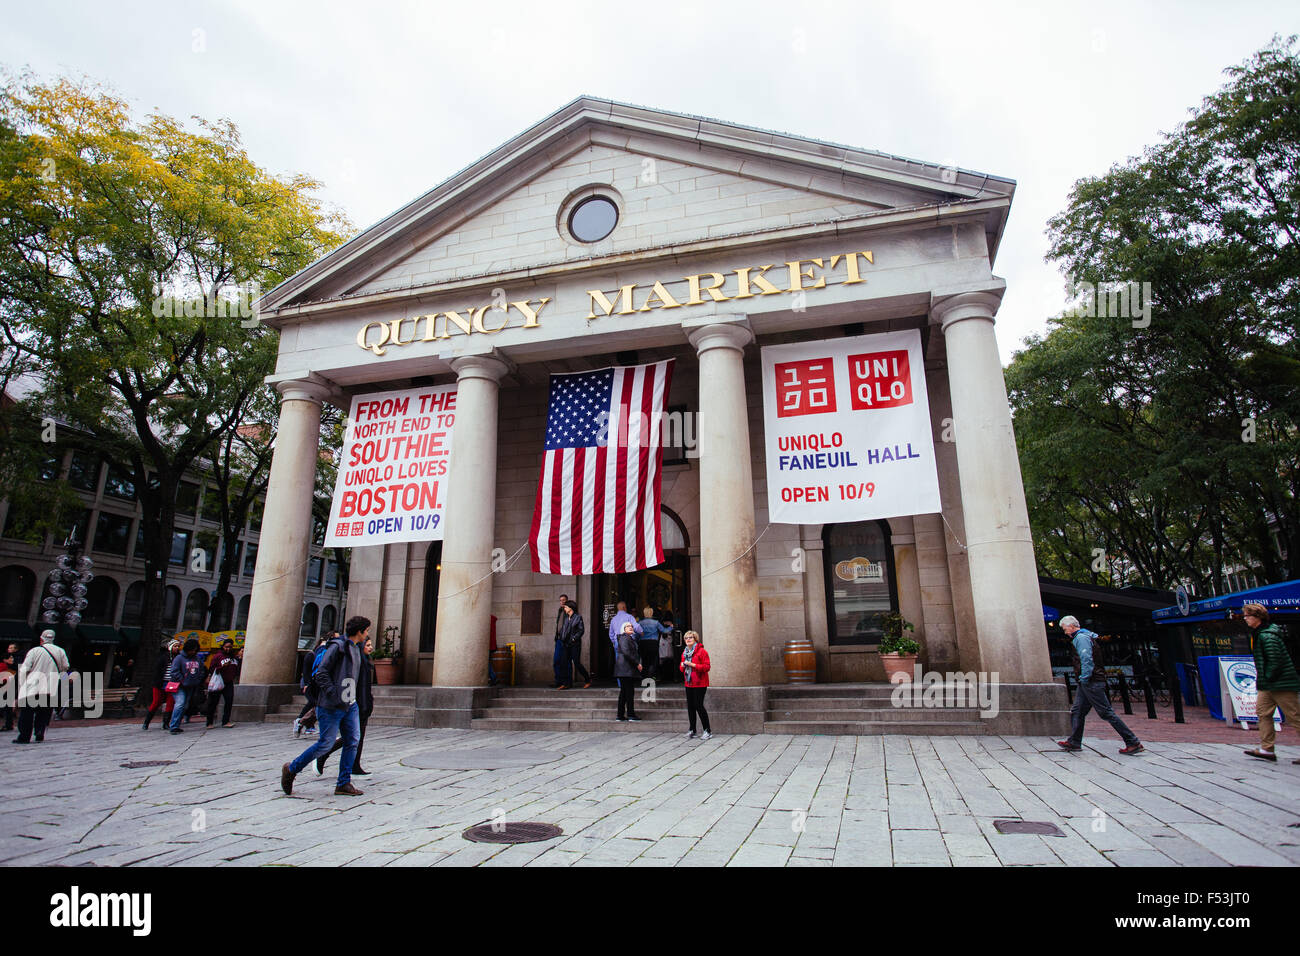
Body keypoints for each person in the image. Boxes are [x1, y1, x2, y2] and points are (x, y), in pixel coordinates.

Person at [281, 615, 368, 797]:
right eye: (366, 631)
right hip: (332, 705)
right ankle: (292, 769)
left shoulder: (356, 648)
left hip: (350, 703)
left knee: (352, 740)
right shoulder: (338, 647)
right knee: (325, 743)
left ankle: (343, 783)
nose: (367, 634)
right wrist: (333, 695)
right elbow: (321, 673)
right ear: (359, 631)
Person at [1056, 616, 1143, 755]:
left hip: (1091, 681)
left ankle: (1132, 741)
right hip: (1087, 682)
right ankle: (1074, 741)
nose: (1065, 631)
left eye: (1065, 628)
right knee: (1077, 711)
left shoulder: (1081, 638)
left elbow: (1086, 659)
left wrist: (1084, 678)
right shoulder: (1085, 636)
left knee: (1106, 712)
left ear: (1071, 626)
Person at [1242, 603, 1300, 762]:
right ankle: (1267, 749)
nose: (1245, 619)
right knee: (1263, 713)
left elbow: (1275, 660)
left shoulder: (1267, 636)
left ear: (1257, 617)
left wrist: (1268, 676)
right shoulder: (1260, 633)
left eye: (1247, 616)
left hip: (1280, 683)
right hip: (1268, 683)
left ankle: (1267, 748)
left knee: (1295, 716)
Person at [318, 633, 374, 777]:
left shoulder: (365, 661)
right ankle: (323, 755)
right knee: (352, 736)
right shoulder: (355, 661)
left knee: (356, 737)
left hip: (363, 703)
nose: (371, 648)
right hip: (354, 703)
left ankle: (353, 765)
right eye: (368, 645)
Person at [13, 629, 70, 744]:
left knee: (27, 712)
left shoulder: (34, 651)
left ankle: (24, 736)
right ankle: (39, 732)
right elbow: (66, 666)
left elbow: (24, 669)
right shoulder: (60, 651)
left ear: (41, 639)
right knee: (44, 711)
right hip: (50, 687)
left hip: (33, 686)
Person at [166, 639, 205, 735]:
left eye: (195, 650)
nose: (193, 652)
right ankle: (174, 726)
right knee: (180, 703)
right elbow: (174, 672)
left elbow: (201, 670)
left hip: (191, 685)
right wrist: (182, 680)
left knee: (184, 706)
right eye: (192, 650)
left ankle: (177, 724)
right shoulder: (179, 658)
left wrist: (198, 679)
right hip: (179, 685)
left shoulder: (197, 659)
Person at [680, 630, 712, 739]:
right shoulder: (684, 653)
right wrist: (683, 665)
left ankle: (707, 730)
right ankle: (692, 730)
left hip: (700, 683)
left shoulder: (702, 651)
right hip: (689, 683)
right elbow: (681, 669)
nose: (688, 640)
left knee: (699, 705)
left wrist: (692, 664)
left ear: (695, 639)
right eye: (686, 638)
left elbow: (707, 667)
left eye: (690, 638)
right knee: (690, 707)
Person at [294, 637, 328, 736]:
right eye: (323, 645)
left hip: (316, 684)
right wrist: (306, 684)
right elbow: (306, 671)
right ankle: (301, 721)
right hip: (309, 683)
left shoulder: (323, 656)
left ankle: (306, 724)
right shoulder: (312, 655)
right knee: (314, 703)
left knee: (315, 705)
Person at [142, 640, 180, 730]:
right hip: (160, 683)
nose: (177, 648)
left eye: (178, 646)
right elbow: (157, 670)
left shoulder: (178, 658)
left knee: (170, 703)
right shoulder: (162, 656)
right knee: (156, 702)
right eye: (175, 646)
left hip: (172, 683)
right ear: (170, 647)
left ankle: (166, 723)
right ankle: (146, 722)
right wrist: (157, 681)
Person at [204, 639, 240, 728]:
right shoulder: (218, 656)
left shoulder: (233, 658)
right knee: (213, 702)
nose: (228, 649)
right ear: (223, 647)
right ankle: (209, 722)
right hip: (218, 681)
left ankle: (225, 721)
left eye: (230, 647)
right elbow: (212, 669)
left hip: (228, 682)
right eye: (226, 647)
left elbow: (236, 668)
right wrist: (222, 667)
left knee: (229, 701)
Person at [558, 600, 590, 690]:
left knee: (576, 663)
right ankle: (566, 683)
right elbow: (563, 630)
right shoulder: (566, 618)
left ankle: (587, 679)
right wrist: (561, 637)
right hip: (565, 644)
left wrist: (573, 638)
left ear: (570, 608)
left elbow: (581, 630)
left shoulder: (578, 617)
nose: (564, 608)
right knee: (564, 663)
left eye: (565, 607)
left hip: (574, 644)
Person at [613, 619, 641, 722]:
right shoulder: (625, 638)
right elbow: (626, 652)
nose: (631, 627)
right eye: (628, 626)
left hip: (624, 669)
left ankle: (620, 715)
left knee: (624, 693)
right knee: (629, 692)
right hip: (626, 669)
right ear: (623, 629)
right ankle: (630, 714)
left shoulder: (627, 638)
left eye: (631, 626)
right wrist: (637, 663)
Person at [638, 607, 662, 680]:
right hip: (653, 643)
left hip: (642, 643)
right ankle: (651, 677)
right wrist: (671, 627)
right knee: (653, 661)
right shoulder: (656, 622)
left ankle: (645, 678)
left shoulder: (640, 622)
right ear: (651, 613)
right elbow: (664, 630)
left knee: (644, 661)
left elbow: (636, 633)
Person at [552, 593, 570, 688]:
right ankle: (558, 680)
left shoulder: (569, 612)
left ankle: (567, 682)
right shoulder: (560, 611)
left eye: (563, 600)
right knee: (556, 661)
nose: (562, 602)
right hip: (559, 639)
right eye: (560, 600)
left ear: (567, 601)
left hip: (565, 640)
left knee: (566, 662)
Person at [658, 614, 678, 683]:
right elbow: (664, 632)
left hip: (667, 643)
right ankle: (664, 676)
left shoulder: (664, 626)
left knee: (668, 659)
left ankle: (668, 676)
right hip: (664, 643)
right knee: (664, 660)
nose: (667, 623)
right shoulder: (664, 628)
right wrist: (671, 627)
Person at [0, 650, 17, 732]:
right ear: (4, 659)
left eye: (12, 657)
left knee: (8, 708)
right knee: (8, 708)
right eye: (10, 658)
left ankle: (8, 725)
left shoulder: (11, 666)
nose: (12, 659)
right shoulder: (3, 666)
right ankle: (9, 724)